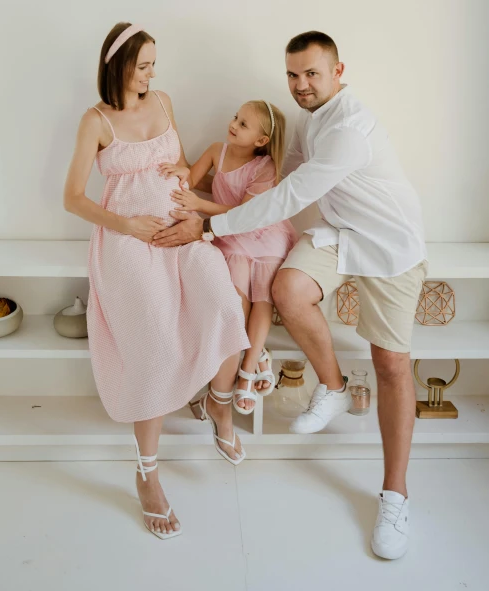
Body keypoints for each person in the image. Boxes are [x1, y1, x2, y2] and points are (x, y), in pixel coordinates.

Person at [152, 30, 427, 560]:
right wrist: (204, 190)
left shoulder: (349, 128)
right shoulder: (311, 118)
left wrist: (209, 228)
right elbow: (289, 171)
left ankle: (395, 495)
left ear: (338, 71)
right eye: (293, 75)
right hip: (343, 236)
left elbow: (290, 195)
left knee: (392, 364)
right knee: (287, 288)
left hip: (391, 246)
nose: (300, 85)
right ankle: (333, 384)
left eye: (312, 74)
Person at [63, 22, 249, 541]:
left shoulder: (163, 101)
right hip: (126, 238)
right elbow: (73, 197)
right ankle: (147, 471)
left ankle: (218, 399)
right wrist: (128, 225)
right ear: (118, 66)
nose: (150, 74)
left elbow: (182, 167)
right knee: (154, 341)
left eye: (152, 64)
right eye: (143, 65)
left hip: (181, 228)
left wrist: (193, 203)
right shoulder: (95, 121)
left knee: (226, 306)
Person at [159, 100, 297, 414]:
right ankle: (257, 352)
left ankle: (248, 370)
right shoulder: (215, 150)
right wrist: (181, 171)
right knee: (237, 300)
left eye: (244, 124)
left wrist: (201, 205)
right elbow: (189, 182)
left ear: (261, 141)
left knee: (263, 298)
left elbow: (245, 215)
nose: (234, 124)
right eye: (236, 117)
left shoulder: (265, 168)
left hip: (261, 234)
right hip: (230, 239)